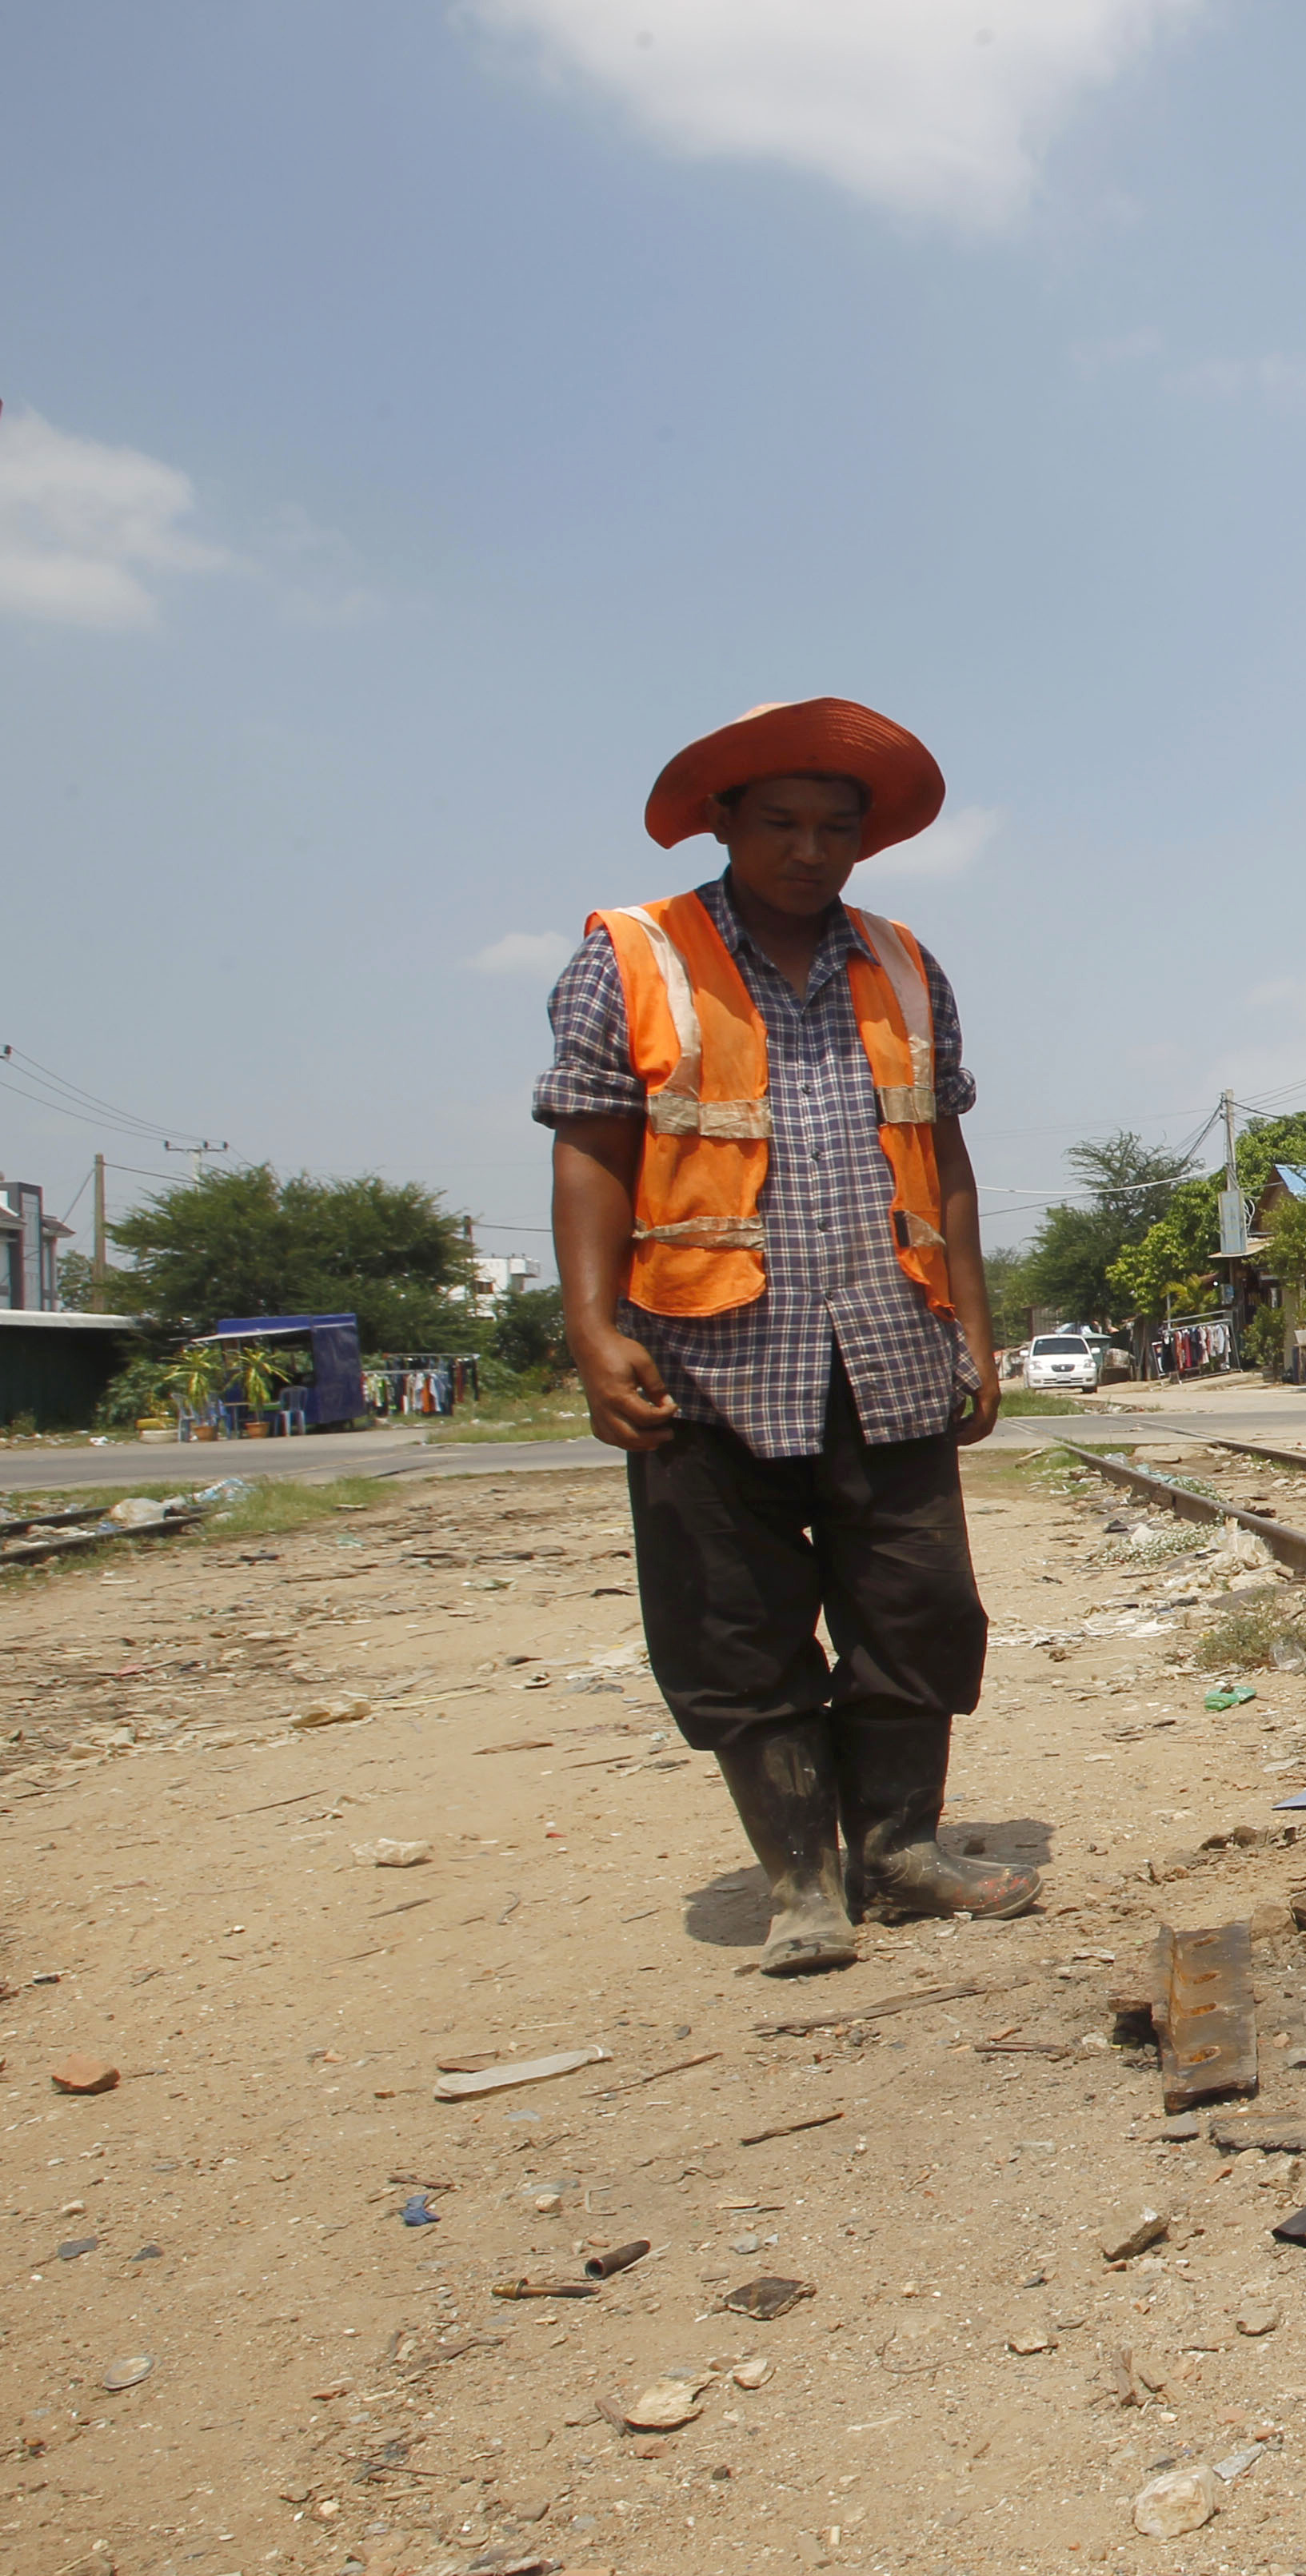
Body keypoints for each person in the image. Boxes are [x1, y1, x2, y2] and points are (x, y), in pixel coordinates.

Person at [537, 697, 1036, 1977]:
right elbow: (594, 1146)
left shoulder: (908, 965)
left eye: (834, 828)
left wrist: (977, 1330)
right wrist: (592, 1330)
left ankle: (900, 1849)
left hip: (891, 1344)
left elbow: (949, 1154)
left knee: (916, 1608)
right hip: (705, 1357)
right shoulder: (635, 956)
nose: (809, 851)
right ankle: (802, 1880)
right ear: (723, 824)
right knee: (734, 1624)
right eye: (780, 825)